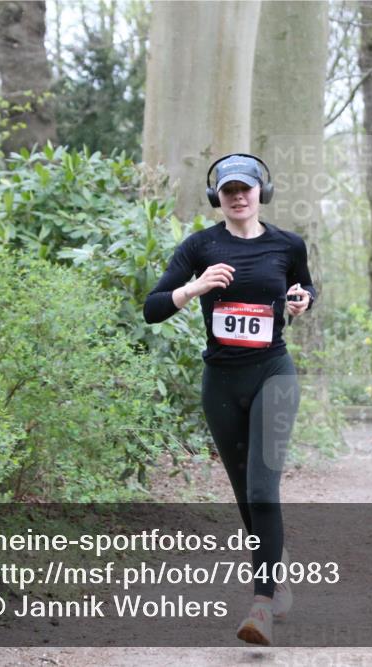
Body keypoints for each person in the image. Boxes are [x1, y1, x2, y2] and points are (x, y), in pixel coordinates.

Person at [143, 153, 316, 646]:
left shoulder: (287, 244)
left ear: (263, 191)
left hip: (273, 374)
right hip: (221, 381)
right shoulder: (200, 246)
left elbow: (305, 287)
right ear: (216, 197)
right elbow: (153, 308)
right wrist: (193, 288)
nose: (238, 197)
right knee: (246, 493)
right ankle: (275, 574)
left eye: (247, 188)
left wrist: (302, 300)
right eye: (228, 190)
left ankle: (260, 604)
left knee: (263, 488)